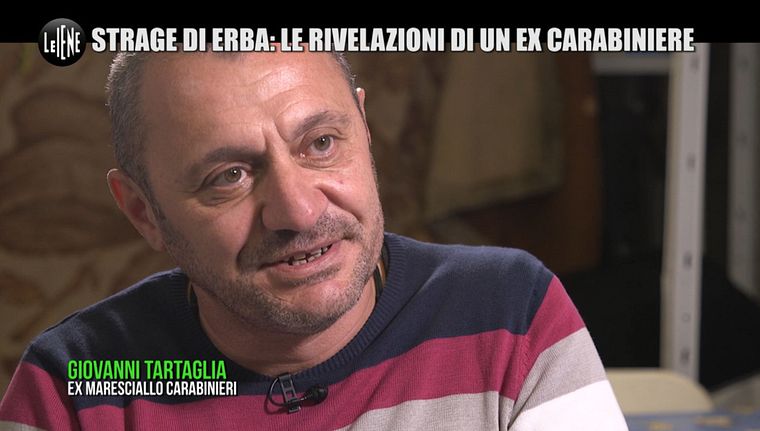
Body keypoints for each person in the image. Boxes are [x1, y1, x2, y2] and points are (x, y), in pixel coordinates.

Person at [0, 49, 627, 430]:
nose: (298, 212)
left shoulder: (508, 313)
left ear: (364, 127)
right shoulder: (77, 385)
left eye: (321, 144)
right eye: (229, 177)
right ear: (144, 213)